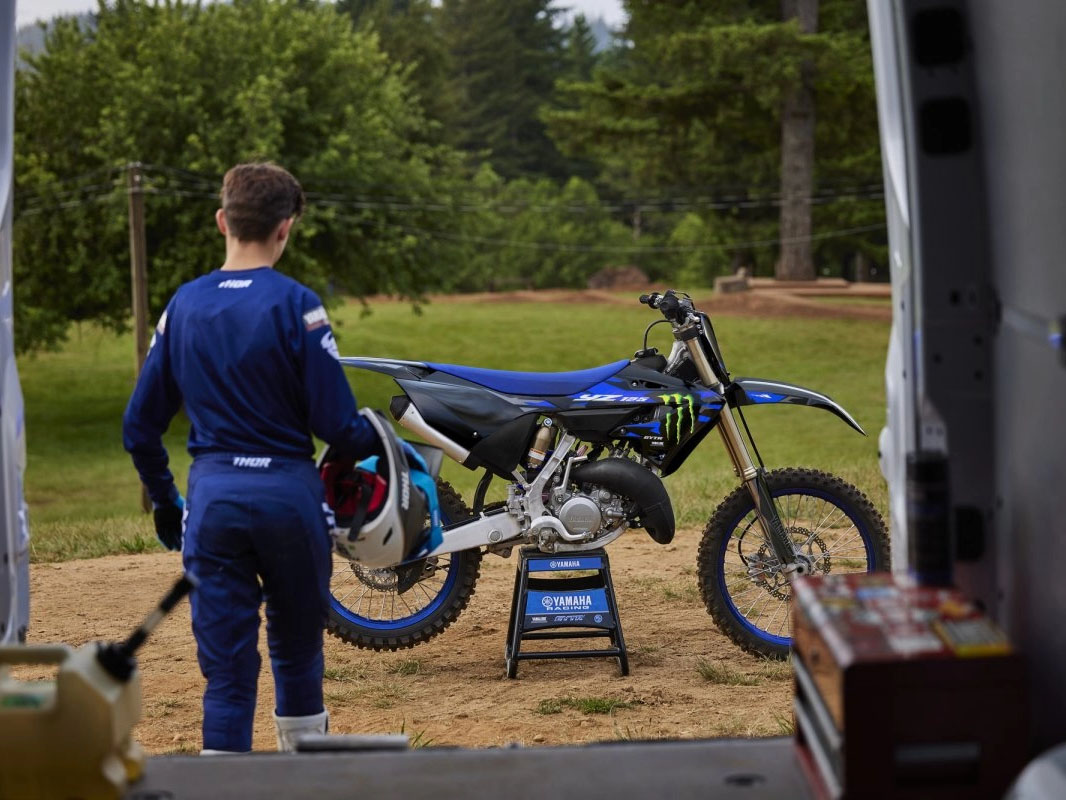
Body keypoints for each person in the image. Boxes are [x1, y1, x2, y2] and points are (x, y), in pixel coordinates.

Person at [122, 162, 380, 754]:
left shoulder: (183, 306)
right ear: (285, 229)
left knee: (229, 680)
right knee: (297, 654)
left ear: (223, 221)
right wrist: (378, 441)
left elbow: (140, 426)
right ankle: (303, 784)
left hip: (213, 506)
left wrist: (166, 502)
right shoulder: (299, 305)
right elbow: (338, 426)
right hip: (289, 502)